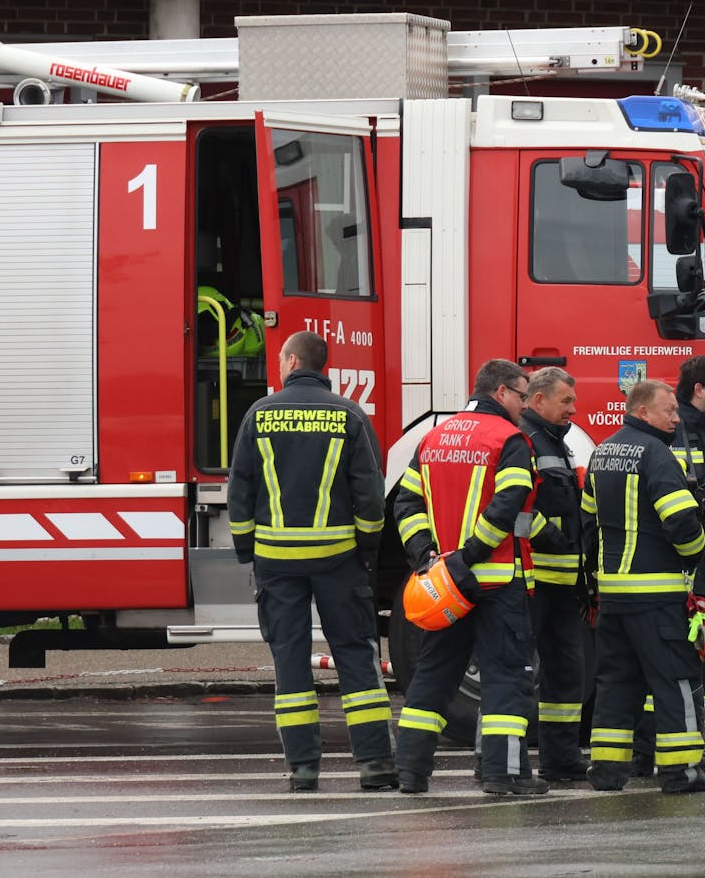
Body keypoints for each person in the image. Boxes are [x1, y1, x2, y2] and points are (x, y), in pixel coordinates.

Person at [226, 331, 396, 792]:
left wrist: (249, 553)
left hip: (277, 563)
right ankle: (376, 764)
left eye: (280, 358)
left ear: (293, 360)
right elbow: (369, 495)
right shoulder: (349, 415)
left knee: (291, 662)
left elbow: (239, 492)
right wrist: (367, 553)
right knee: (356, 657)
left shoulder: (258, 416)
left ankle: (303, 769)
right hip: (339, 560)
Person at [392, 359, 547, 796]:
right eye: (521, 394)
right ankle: (501, 774)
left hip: (446, 586)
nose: (523, 404)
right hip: (496, 583)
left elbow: (405, 504)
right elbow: (509, 504)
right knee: (506, 678)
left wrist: (427, 557)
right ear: (500, 393)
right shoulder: (510, 439)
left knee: (434, 673)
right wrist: (470, 556)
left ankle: (410, 771)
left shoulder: (434, 438)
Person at [582, 380, 705, 794]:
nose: (676, 418)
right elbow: (680, 521)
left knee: (616, 684)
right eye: (669, 411)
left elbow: (587, 525)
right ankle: (681, 772)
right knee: (674, 680)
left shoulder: (601, 452)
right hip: (656, 595)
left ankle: (607, 771)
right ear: (642, 412)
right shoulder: (656, 454)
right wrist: (695, 555)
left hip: (614, 596)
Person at [631, 355, 705, 775]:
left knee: (698, 665)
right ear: (699, 389)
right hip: (676, 578)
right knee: (665, 669)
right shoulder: (665, 435)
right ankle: (651, 749)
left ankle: (691, 746)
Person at [516, 367, 592, 784]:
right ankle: (509, 762)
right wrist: (555, 539)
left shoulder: (557, 443)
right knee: (520, 671)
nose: (573, 409)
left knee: (566, 671)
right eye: (566, 401)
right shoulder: (524, 441)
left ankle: (561, 758)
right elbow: (518, 505)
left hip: (564, 581)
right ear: (539, 400)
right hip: (534, 578)